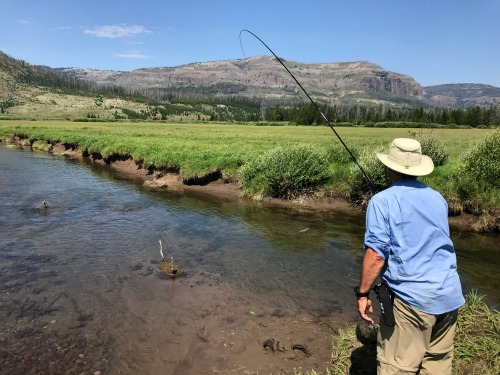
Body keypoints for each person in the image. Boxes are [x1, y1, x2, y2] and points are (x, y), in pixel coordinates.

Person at [355, 138, 465, 374]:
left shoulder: (381, 201)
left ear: (389, 168)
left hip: (411, 299)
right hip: (449, 294)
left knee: (397, 366)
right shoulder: (438, 198)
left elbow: (376, 255)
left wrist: (363, 293)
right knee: (437, 363)